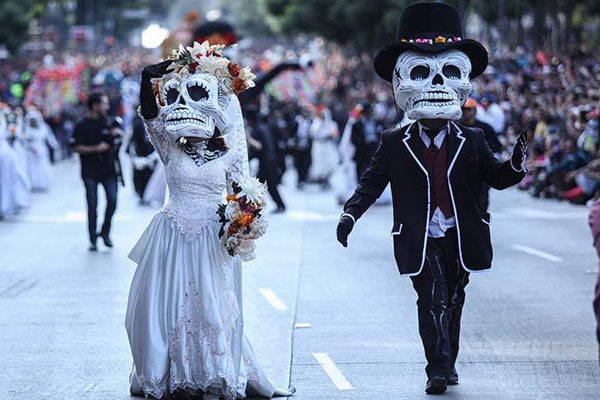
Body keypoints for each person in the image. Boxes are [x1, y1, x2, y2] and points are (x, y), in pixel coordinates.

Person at [336, 3, 527, 394]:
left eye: (449, 72)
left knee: (454, 299)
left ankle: (449, 360)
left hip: (461, 233)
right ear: (401, 84)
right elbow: (372, 184)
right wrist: (349, 216)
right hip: (419, 236)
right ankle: (436, 368)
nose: (437, 84)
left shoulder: (471, 140)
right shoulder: (394, 142)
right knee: (431, 300)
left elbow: (495, 177)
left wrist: (516, 164)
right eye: (422, 72)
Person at [126, 42, 293, 399]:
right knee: (170, 306)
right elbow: (151, 118)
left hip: (211, 241)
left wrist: (243, 220)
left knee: (213, 307)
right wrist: (148, 77)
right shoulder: (170, 147)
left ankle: (213, 371)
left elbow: (243, 191)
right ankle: (171, 373)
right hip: (171, 236)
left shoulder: (230, 153)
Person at [71, 93, 122, 251]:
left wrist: (117, 137)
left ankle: (105, 233)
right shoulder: (82, 125)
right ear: (95, 106)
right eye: (104, 104)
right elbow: (75, 147)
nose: (107, 107)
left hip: (109, 169)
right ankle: (92, 238)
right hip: (90, 171)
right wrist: (96, 148)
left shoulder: (109, 122)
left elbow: (118, 144)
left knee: (112, 201)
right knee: (92, 205)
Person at [127, 114, 158, 204]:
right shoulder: (138, 126)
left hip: (152, 155)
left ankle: (147, 195)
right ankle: (140, 194)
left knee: (150, 176)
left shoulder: (156, 126)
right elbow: (132, 141)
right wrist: (133, 156)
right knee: (138, 177)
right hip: (140, 154)